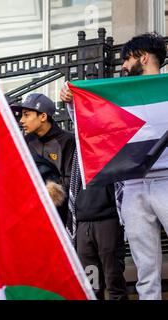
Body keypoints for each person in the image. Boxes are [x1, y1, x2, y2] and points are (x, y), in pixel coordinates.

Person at [60, 32, 168, 300]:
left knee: (147, 266)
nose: (123, 66)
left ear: (143, 57)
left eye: (128, 59)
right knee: (145, 267)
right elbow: (93, 128)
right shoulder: (119, 97)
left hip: (166, 179)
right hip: (131, 184)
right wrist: (74, 101)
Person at [18, 93, 75, 222]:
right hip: (29, 217)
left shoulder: (68, 141)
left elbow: (71, 182)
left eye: (26, 115)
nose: (21, 120)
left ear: (43, 116)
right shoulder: (23, 143)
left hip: (61, 219)